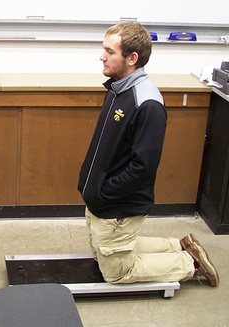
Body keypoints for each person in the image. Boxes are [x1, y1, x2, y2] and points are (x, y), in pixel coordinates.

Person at [77, 22, 219, 287]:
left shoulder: (147, 103)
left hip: (117, 204)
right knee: (100, 253)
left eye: (110, 51)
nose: (102, 56)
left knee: (117, 272)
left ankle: (191, 263)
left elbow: (143, 168)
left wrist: (105, 190)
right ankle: (179, 246)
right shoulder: (119, 87)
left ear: (132, 58)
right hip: (100, 198)